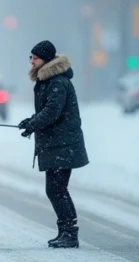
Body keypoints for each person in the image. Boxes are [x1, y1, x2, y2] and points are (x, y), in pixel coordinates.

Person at [18, 40, 89, 248]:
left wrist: (33, 124)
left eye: (35, 58)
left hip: (63, 144)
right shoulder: (47, 81)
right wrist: (31, 120)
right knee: (56, 189)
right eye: (31, 57)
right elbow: (47, 110)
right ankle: (65, 231)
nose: (32, 61)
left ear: (46, 60)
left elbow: (52, 111)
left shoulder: (57, 82)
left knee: (56, 190)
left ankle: (70, 233)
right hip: (57, 143)